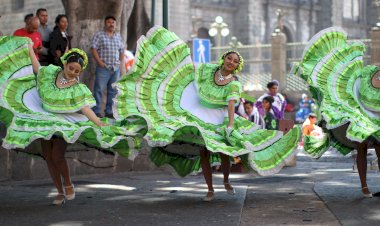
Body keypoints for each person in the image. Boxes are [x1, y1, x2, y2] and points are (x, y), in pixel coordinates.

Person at [113, 26, 301, 202]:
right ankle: (210, 189)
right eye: (230, 58)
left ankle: (226, 180)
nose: (231, 62)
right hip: (198, 111)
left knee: (224, 153)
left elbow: (231, 104)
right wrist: (179, 60)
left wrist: (229, 124)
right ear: (224, 58)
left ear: (237, 67)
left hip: (219, 117)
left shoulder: (234, 83)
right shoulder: (210, 69)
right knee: (204, 152)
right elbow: (193, 68)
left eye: (235, 61)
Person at [0, 36, 140, 205]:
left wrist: (98, 122)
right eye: (71, 68)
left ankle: (68, 184)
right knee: (48, 157)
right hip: (44, 118)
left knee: (57, 156)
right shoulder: (51, 72)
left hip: (64, 122)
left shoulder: (77, 88)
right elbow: (37, 68)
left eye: (77, 71)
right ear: (65, 64)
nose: (73, 72)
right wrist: (29, 47)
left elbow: (85, 108)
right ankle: (59, 192)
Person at [293, 27, 380, 197]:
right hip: (359, 113)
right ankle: (364, 187)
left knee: (379, 148)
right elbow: (353, 82)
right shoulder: (370, 71)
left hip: (376, 118)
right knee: (361, 148)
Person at [91, 16, 125, 118]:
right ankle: (96, 111)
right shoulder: (99, 35)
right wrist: (99, 62)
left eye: (113, 22)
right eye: (109, 22)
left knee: (113, 91)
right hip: (103, 68)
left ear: (115, 24)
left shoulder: (118, 36)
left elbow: (122, 50)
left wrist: (120, 62)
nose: (111, 24)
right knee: (99, 90)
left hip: (115, 69)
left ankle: (109, 111)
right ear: (105, 24)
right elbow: (93, 48)